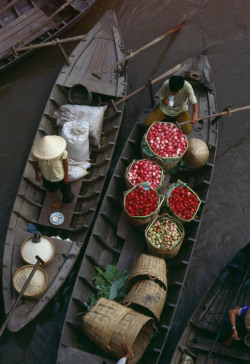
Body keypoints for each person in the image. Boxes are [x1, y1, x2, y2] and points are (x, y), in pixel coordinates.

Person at [31, 135, 75, 209]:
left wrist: (66, 176)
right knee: (49, 185)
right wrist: (37, 174)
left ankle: (65, 201)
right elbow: (35, 162)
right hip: (46, 175)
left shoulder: (60, 152)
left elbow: (65, 163)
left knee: (66, 190)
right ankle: (53, 190)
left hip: (59, 175)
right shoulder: (37, 152)